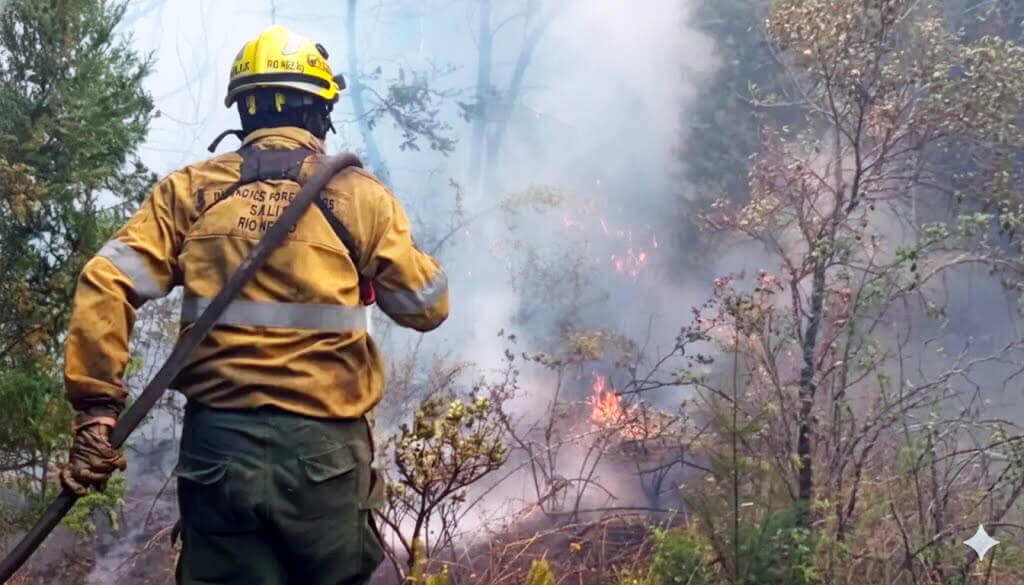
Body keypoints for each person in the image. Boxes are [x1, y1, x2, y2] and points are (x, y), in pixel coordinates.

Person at [58, 25, 449, 585]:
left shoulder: (189, 192)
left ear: (244, 109)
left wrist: (97, 409)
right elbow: (426, 308)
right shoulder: (361, 197)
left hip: (219, 453)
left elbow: (106, 279)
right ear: (320, 112)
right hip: (325, 458)